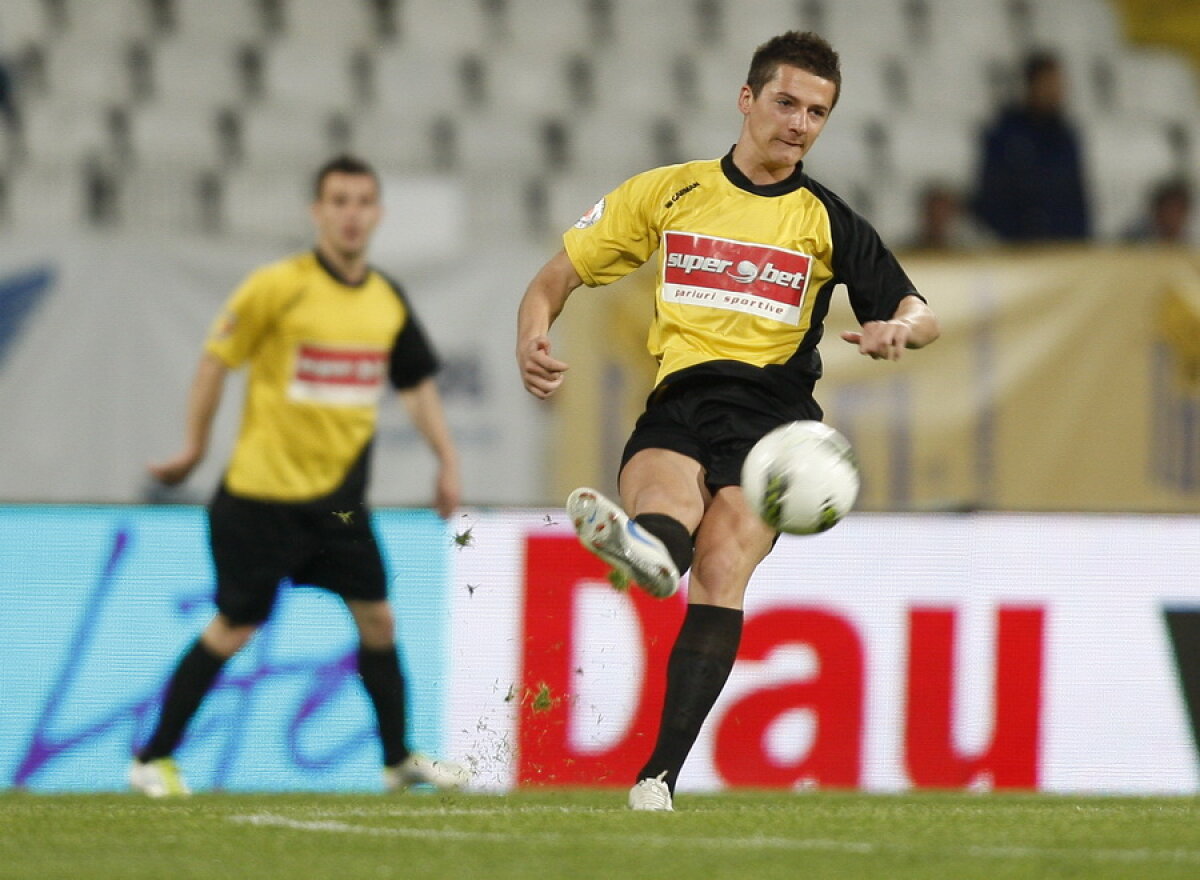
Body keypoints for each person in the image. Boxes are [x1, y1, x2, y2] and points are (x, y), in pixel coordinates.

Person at [515, 31, 939, 811]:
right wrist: (532, 332)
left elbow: (920, 310)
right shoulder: (669, 192)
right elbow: (554, 278)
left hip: (775, 433)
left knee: (721, 566)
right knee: (669, 506)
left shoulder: (828, 221)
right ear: (747, 100)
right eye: (786, 103)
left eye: (817, 112)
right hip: (680, 403)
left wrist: (898, 328)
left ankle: (657, 776)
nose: (799, 123)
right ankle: (652, 552)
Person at [131, 154, 468, 796]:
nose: (351, 214)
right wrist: (194, 448)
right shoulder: (277, 286)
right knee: (234, 628)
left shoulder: (385, 300)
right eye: (338, 201)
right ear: (317, 212)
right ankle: (153, 757)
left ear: (378, 214)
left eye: (362, 202)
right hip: (261, 499)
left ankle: (397, 760)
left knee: (379, 620)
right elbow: (215, 360)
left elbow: (415, 385)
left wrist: (447, 461)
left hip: (338, 506)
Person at [971, 50, 1091, 242]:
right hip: (1016, 247)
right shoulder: (1005, 135)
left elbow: (1076, 199)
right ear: (1031, 85)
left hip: (1062, 246)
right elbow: (991, 198)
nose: (1055, 91)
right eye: (1049, 83)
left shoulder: (1066, 137)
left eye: (1058, 84)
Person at [1122, 177, 1194, 245]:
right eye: (1171, 209)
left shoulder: (1185, 237)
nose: (1175, 216)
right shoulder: (1136, 235)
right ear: (1158, 209)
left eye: (1179, 210)